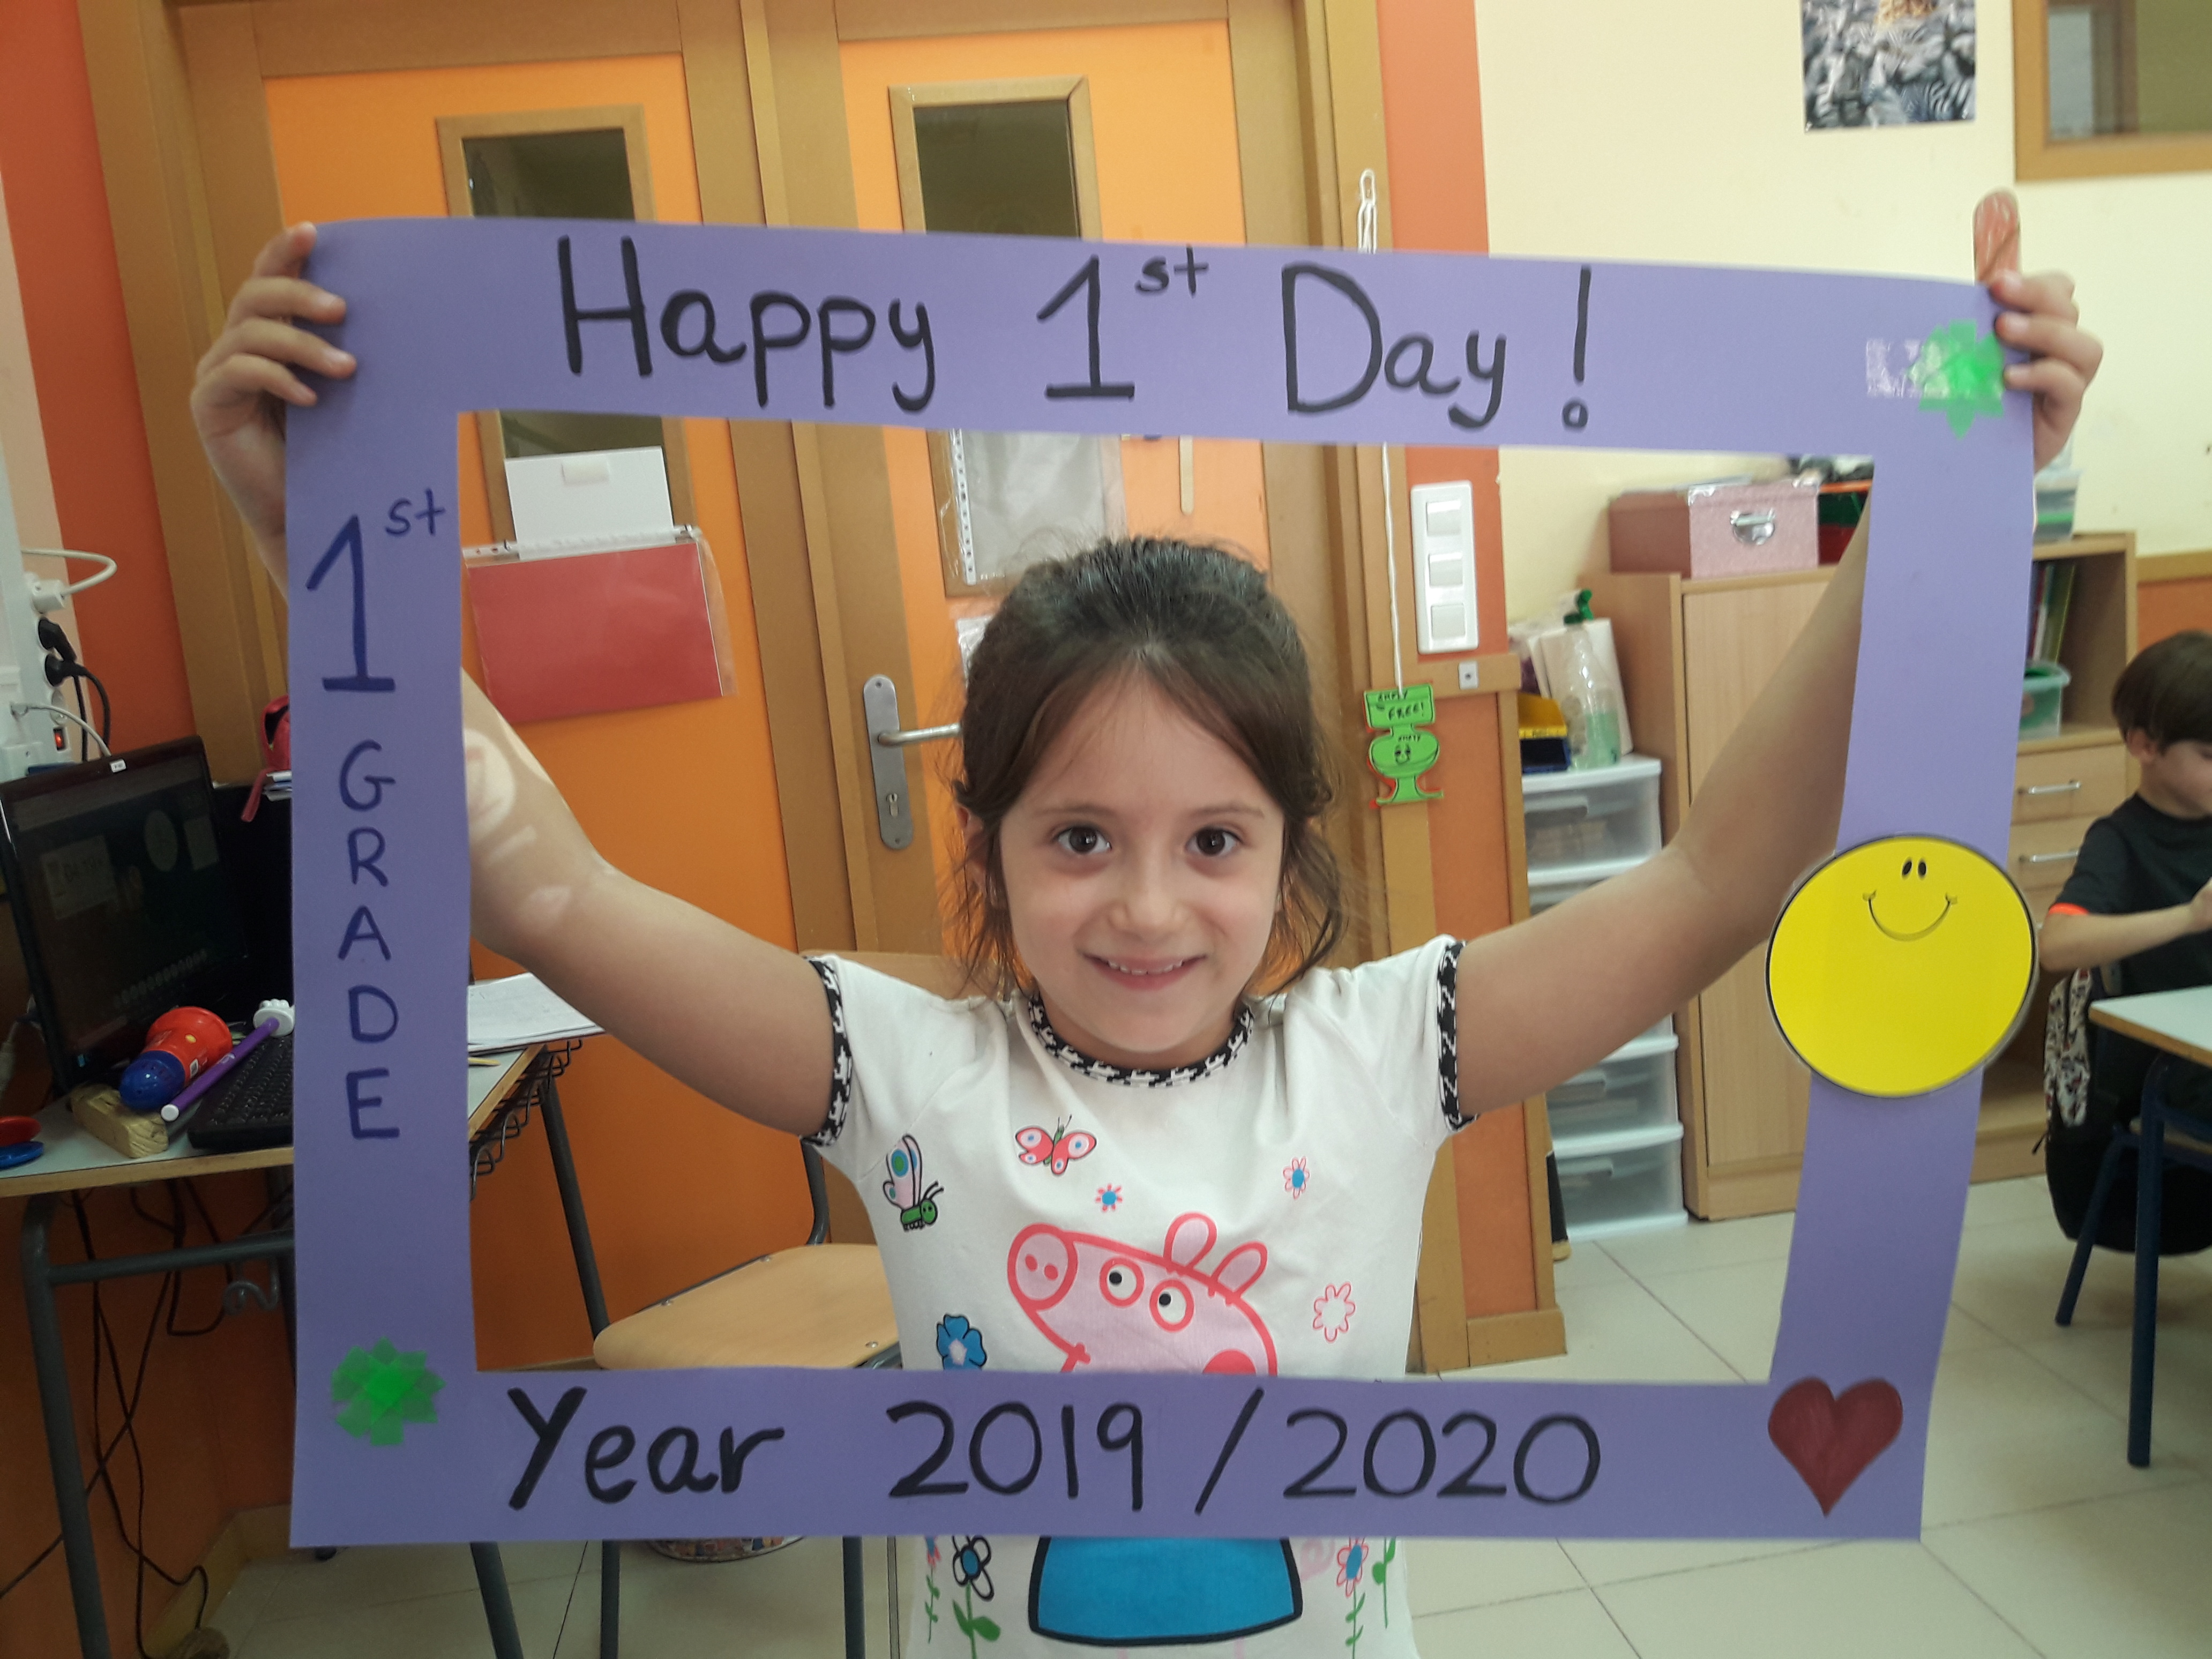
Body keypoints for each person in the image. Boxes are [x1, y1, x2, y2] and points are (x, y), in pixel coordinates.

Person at [193, 220, 2099, 1653]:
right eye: (1078, 836)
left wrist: (1941, 498)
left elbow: (1712, 877)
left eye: (1213, 840)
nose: (1145, 903)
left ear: (1288, 852)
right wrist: (316, 536)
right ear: (990, 843)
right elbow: (554, 890)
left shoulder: (1386, 1048)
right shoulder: (898, 1070)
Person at [2038, 631, 2212, 1253]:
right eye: (2210, 755)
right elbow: (2058, 945)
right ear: (2145, 746)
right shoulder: (2120, 841)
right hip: (2181, 1072)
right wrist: (2190, 917)